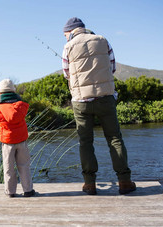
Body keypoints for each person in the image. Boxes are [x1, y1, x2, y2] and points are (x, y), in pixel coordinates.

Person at [62, 17, 136, 195]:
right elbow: (112, 67)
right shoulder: (103, 40)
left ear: (71, 31)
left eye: (65, 34)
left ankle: (89, 184)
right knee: (114, 139)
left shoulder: (68, 47)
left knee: (85, 142)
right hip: (105, 98)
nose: (65, 37)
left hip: (81, 102)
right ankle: (124, 181)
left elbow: (66, 74)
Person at [0, 79, 36, 198]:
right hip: (21, 140)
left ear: (0, 93)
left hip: (7, 142)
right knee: (24, 165)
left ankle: (10, 192)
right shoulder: (20, 106)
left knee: (8, 167)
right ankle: (28, 190)